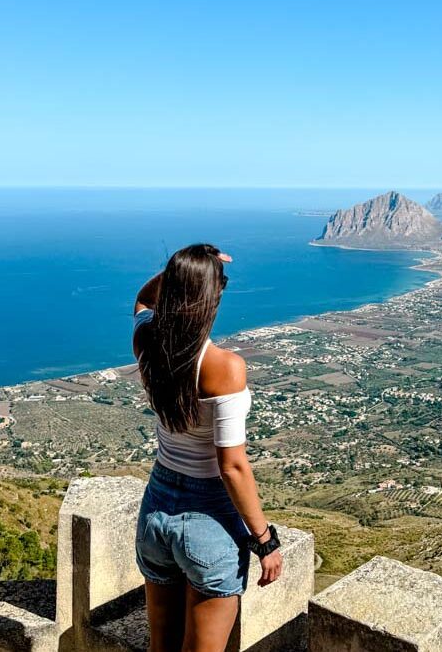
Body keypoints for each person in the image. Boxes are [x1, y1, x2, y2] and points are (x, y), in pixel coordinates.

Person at [133, 243, 282, 652]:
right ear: (212, 298)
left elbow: (144, 300)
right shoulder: (225, 367)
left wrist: (185, 267)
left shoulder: (147, 342)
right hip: (208, 520)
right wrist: (265, 540)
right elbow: (232, 466)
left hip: (155, 512)